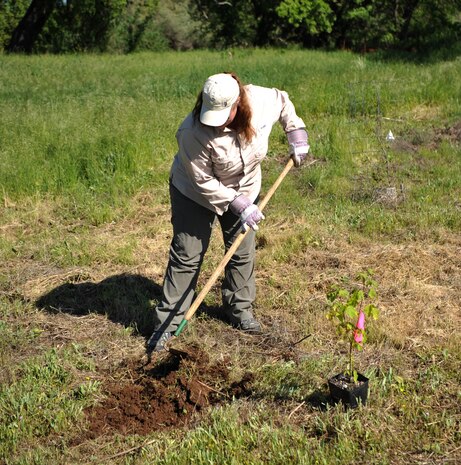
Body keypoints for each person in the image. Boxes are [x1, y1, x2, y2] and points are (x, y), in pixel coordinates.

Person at [147, 72, 309, 352]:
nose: (217, 120)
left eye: (225, 113)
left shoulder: (259, 101)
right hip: (194, 193)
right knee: (187, 254)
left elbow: (283, 102)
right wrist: (239, 204)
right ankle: (168, 324)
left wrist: (296, 133)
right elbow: (203, 181)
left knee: (240, 250)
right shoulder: (192, 132)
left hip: (245, 187)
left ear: (238, 104)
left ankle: (240, 311)